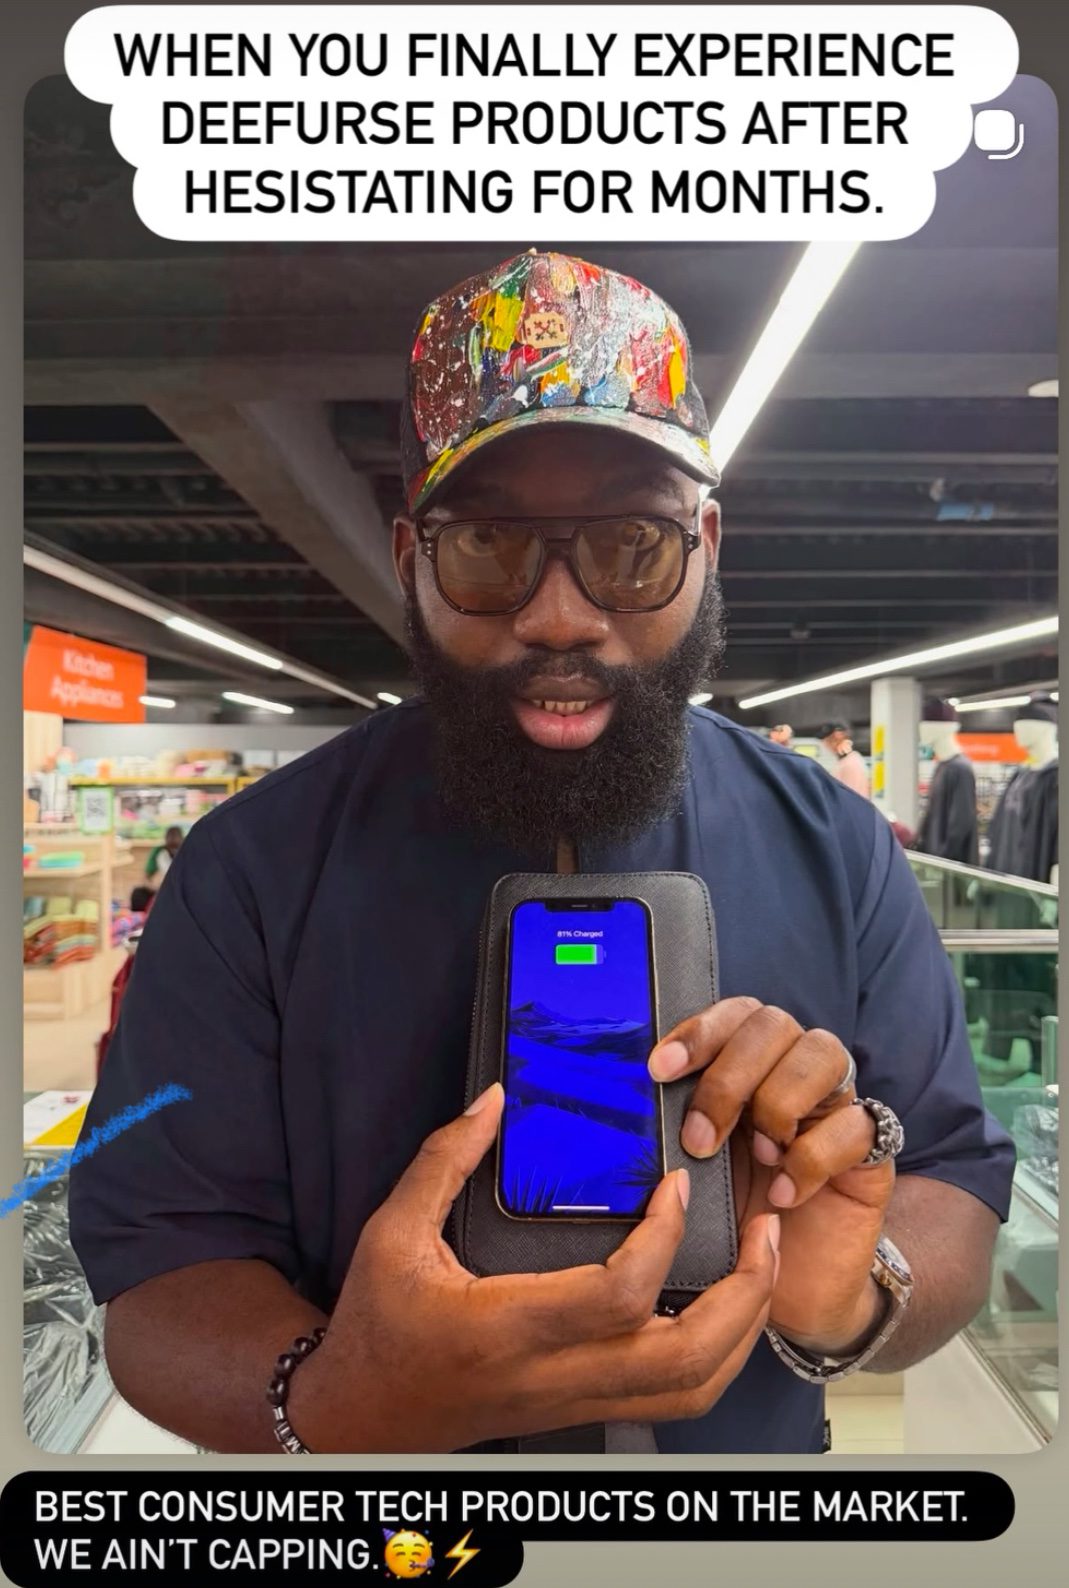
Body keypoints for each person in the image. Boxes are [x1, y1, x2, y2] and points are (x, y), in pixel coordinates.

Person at [69, 250, 1013, 1457]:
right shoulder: (249, 871)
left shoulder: (833, 844)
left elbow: (950, 1180)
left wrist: (853, 1290)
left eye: (633, 542)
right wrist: (339, 1398)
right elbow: (158, 1267)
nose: (561, 613)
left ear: (705, 544)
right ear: (409, 558)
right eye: (485, 542)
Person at [818, 720, 871, 799]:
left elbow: (850, 798)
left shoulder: (850, 763)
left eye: (831, 739)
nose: (827, 744)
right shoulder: (848, 761)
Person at [144, 826, 183, 892]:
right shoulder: (160, 852)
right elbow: (146, 877)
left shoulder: (188, 851)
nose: (173, 839)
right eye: (171, 837)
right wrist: (155, 888)